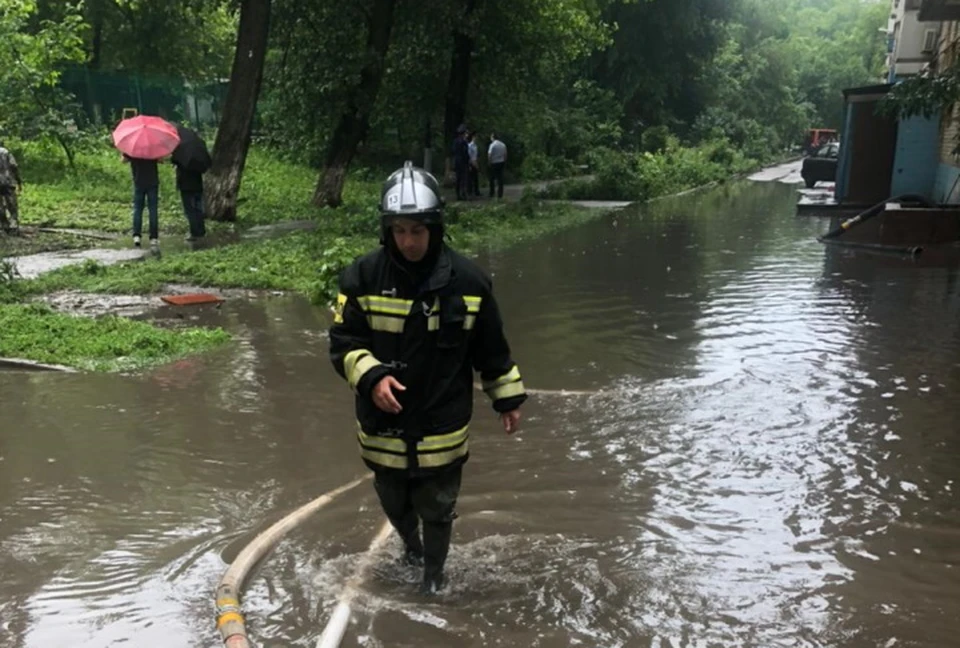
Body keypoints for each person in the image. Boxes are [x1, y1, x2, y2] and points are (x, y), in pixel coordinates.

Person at [329, 161, 527, 594]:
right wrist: (372, 377)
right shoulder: (360, 278)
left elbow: (491, 348)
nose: (409, 242)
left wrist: (507, 399)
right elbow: (343, 342)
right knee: (395, 501)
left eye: (417, 231)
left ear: (435, 228)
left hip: (442, 423)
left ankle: (434, 580)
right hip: (383, 425)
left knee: (437, 507)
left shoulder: (471, 283)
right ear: (387, 230)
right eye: (399, 231)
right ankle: (410, 547)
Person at [123, 154, 160, 248]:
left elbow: (123, 160)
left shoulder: (133, 148)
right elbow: (161, 160)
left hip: (138, 181)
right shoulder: (153, 147)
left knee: (138, 209)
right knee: (153, 210)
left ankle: (136, 236)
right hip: (153, 182)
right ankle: (153, 238)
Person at [172, 159, 206, 241]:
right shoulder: (198, 151)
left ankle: (194, 233)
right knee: (198, 208)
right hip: (198, 184)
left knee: (190, 210)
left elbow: (174, 160)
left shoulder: (182, 152)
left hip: (186, 185)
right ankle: (201, 231)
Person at [0, 140, 23, 235]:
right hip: (7, 180)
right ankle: (13, 226)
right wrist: (18, 180)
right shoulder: (5, 152)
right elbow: (14, 166)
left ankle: (3, 225)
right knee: (12, 204)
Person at [452, 124, 470, 201]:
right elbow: (465, 153)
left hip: (456, 161)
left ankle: (458, 194)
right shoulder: (464, 142)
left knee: (458, 179)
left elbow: (453, 151)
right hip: (463, 162)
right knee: (464, 179)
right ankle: (463, 194)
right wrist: (467, 161)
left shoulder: (455, 141)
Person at [488, 133, 507, 199]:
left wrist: (489, 162)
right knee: (500, 178)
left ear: (493, 137)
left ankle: (492, 192)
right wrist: (504, 161)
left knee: (492, 178)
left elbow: (489, 154)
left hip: (494, 163)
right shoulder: (503, 144)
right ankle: (500, 194)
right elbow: (505, 154)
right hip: (501, 162)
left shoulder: (492, 145)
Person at [467, 132, 480, 197]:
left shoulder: (475, 146)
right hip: (471, 163)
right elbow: (469, 156)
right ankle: (470, 191)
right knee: (470, 178)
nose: (476, 138)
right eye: (475, 137)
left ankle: (476, 191)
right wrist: (472, 164)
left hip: (475, 162)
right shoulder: (470, 145)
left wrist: (477, 163)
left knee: (476, 178)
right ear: (472, 137)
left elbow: (476, 156)